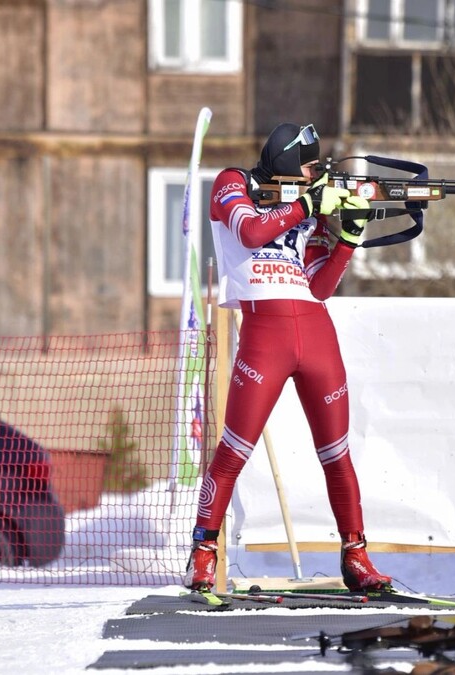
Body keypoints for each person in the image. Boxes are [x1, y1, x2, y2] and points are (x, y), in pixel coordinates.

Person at [185, 122, 392, 593]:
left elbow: (319, 286)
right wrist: (305, 204)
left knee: (337, 455)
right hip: (266, 336)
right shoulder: (232, 183)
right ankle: (203, 551)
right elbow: (253, 232)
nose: (315, 173)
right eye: (309, 164)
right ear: (284, 161)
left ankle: (356, 555)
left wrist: (348, 239)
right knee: (233, 451)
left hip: (317, 334)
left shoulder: (310, 213)